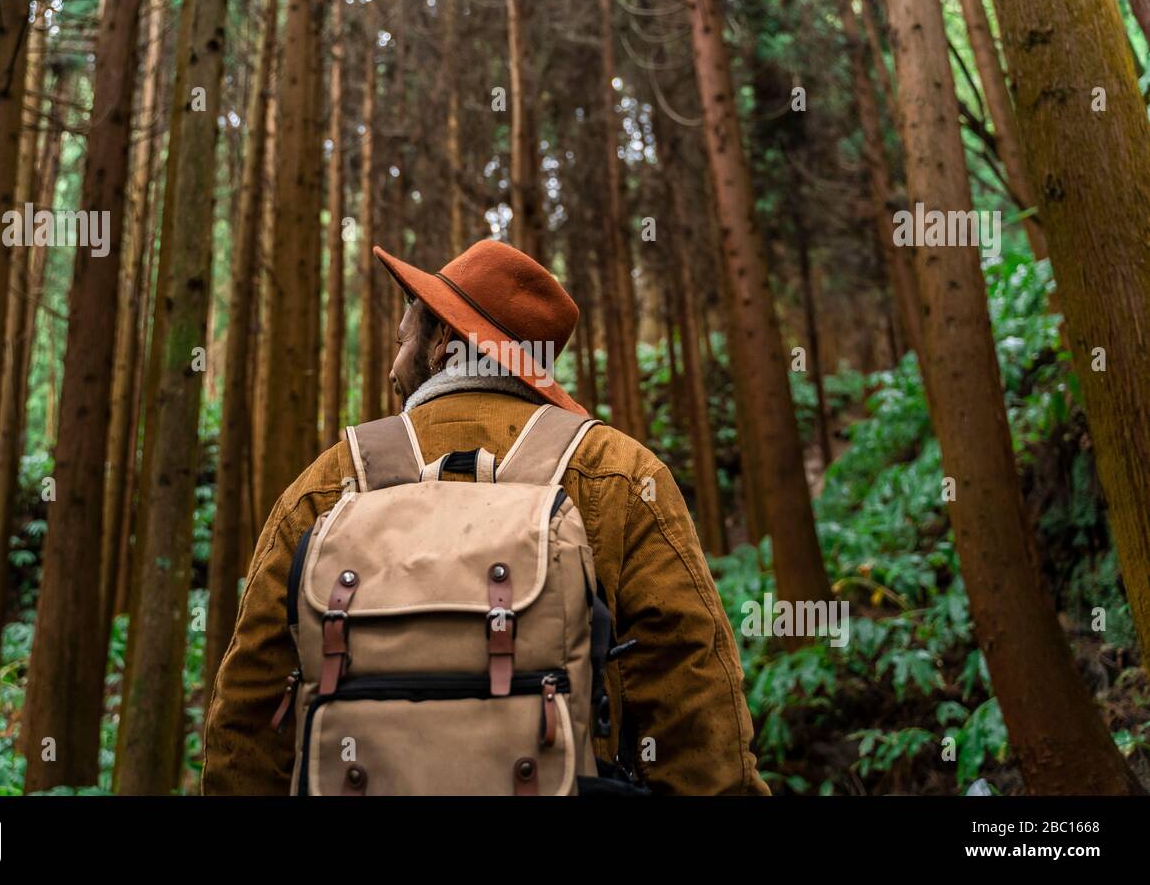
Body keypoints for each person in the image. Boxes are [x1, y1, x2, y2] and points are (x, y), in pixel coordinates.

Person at [203, 238, 770, 795]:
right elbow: (695, 702)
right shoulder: (620, 474)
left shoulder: (328, 483)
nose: (391, 365)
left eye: (402, 341)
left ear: (441, 341)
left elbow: (248, 718)